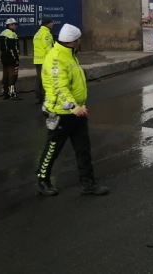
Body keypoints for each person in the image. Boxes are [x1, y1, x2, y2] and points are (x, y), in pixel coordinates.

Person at [36, 23, 109, 196]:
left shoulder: (69, 54)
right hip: (61, 113)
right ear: (74, 41)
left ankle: (88, 183)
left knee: (83, 148)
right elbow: (59, 88)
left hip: (77, 112)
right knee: (53, 148)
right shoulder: (56, 58)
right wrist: (73, 107)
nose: (80, 42)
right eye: (79, 40)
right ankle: (42, 180)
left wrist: (79, 107)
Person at [32, 17, 55, 105]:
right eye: (52, 22)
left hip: (37, 60)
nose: (53, 24)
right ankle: (47, 98)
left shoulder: (37, 33)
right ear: (47, 24)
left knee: (39, 79)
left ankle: (38, 97)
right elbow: (48, 48)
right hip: (45, 60)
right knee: (47, 79)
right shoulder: (46, 34)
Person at [0, 18, 21, 100]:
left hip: (4, 57)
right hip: (11, 58)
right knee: (13, 75)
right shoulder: (12, 34)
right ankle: (12, 93)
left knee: (5, 75)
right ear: (10, 25)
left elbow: (3, 48)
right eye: (14, 24)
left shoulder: (2, 33)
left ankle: (5, 93)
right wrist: (16, 58)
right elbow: (13, 48)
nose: (16, 26)